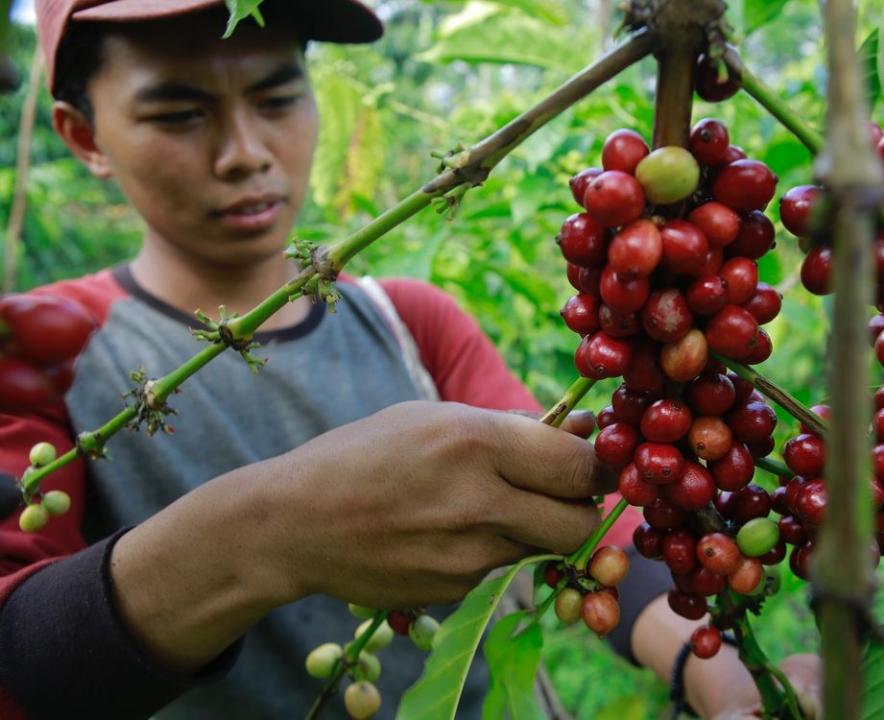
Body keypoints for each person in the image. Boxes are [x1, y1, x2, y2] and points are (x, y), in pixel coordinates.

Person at [0, 1, 821, 717]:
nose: (243, 150)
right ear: (82, 134)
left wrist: (706, 669)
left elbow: (577, 499)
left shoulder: (408, 321)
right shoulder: (43, 347)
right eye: (179, 114)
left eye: (277, 95)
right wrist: (266, 534)